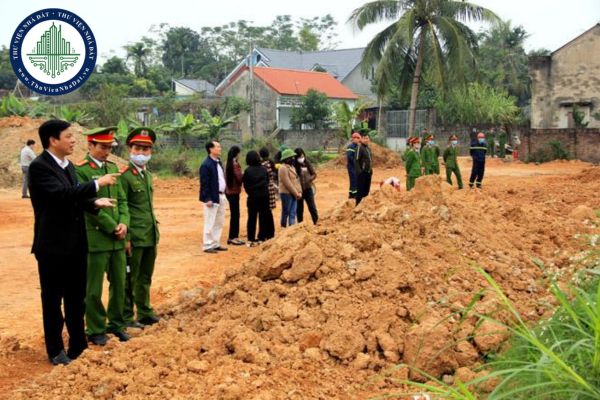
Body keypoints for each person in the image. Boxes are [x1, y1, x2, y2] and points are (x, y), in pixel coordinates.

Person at [29, 119, 117, 365]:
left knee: (76, 298)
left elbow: (73, 198)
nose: (73, 140)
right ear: (53, 140)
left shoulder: (67, 166)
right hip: (53, 247)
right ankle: (56, 350)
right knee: (53, 300)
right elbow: (59, 195)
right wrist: (98, 184)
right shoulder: (40, 167)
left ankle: (78, 347)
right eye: (68, 136)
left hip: (76, 244)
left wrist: (93, 202)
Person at [75, 127, 130, 345]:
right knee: (93, 287)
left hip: (118, 239)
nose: (107, 151)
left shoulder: (113, 168)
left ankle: (116, 324)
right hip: (97, 238)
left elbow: (122, 201)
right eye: (103, 147)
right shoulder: (81, 171)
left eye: (110, 147)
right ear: (90, 145)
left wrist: (124, 223)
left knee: (119, 283)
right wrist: (112, 226)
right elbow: (86, 206)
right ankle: (96, 328)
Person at [120, 128, 161, 328]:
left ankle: (144, 311)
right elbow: (123, 206)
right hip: (134, 235)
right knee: (130, 277)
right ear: (130, 149)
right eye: (138, 149)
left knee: (145, 276)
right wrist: (126, 237)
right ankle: (127, 316)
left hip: (149, 234)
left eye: (146, 149)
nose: (142, 153)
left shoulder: (148, 175)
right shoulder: (125, 176)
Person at [199, 141, 228, 254]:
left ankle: (215, 243)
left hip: (221, 195)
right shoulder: (206, 165)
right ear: (211, 149)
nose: (220, 148)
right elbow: (204, 183)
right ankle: (207, 244)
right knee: (210, 221)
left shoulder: (218, 163)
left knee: (219, 221)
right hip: (212, 197)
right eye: (218, 147)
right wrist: (207, 198)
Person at [242, 151, 273, 245]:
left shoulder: (247, 171)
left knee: (251, 218)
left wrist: (251, 192)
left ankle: (251, 238)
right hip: (264, 196)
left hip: (252, 197)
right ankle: (261, 237)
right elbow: (267, 181)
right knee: (263, 217)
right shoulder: (263, 169)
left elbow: (245, 185)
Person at [224, 146, 244, 246]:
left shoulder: (228, 163)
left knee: (234, 214)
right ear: (237, 154)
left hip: (228, 192)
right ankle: (233, 237)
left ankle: (233, 237)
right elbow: (239, 178)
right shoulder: (235, 164)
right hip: (234, 192)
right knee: (235, 215)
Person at [278, 149, 302, 227]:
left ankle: (292, 229)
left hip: (294, 193)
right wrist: (296, 193)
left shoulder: (292, 167)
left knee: (293, 212)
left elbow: (296, 180)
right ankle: (283, 228)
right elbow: (287, 183)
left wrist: (299, 191)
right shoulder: (283, 168)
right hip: (286, 193)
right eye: (291, 157)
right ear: (286, 158)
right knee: (286, 212)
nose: (293, 159)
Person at [294, 148, 319, 224]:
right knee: (299, 210)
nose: (301, 158)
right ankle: (300, 225)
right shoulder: (294, 165)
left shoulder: (307, 162)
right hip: (299, 191)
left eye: (302, 156)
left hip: (308, 189)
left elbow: (314, 174)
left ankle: (316, 222)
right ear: (296, 157)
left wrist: (309, 180)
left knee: (312, 207)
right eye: (299, 157)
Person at [355, 131, 373, 205]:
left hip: (368, 173)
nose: (366, 140)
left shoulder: (368, 149)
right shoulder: (359, 147)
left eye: (367, 138)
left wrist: (371, 170)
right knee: (360, 191)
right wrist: (359, 172)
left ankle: (364, 206)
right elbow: (356, 160)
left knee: (366, 191)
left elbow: (370, 160)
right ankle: (358, 206)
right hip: (362, 173)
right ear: (361, 139)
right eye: (365, 138)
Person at [346, 132, 361, 199]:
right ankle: (355, 195)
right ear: (353, 139)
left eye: (358, 138)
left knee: (354, 180)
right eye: (357, 138)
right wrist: (356, 162)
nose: (358, 140)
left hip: (355, 167)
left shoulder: (357, 146)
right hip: (351, 166)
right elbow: (349, 157)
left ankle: (351, 194)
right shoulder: (350, 146)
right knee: (354, 180)